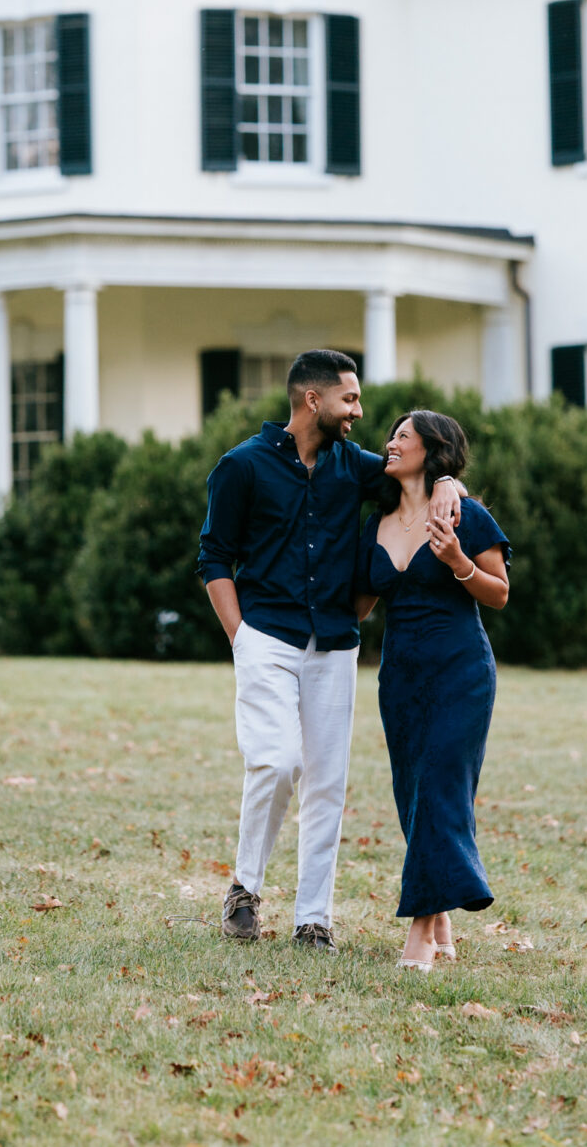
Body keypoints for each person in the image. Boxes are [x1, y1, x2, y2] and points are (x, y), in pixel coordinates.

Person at [197, 351, 462, 953]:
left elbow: (419, 475)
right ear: (313, 400)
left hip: (335, 644)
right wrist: (239, 635)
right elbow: (214, 556)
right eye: (349, 400)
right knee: (276, 761)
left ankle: (312, 919)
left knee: (327, 783)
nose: (359, 412)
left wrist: (448, 480)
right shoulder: (241, 467)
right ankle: (245, 886)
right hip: (264, 637)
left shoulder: (357, 467)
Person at [354, 410, 509, 971]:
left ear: (432, 450)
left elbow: (499, 594)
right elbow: (361, 605)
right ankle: (441, 918)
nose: (390, 444)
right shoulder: (376, 523)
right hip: (399, 677)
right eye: (391, 436)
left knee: (442, 790)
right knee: (413, 795)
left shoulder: (465, 515)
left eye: (402, 437)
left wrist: (456, 561)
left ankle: (420, 932)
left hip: (460, 671)